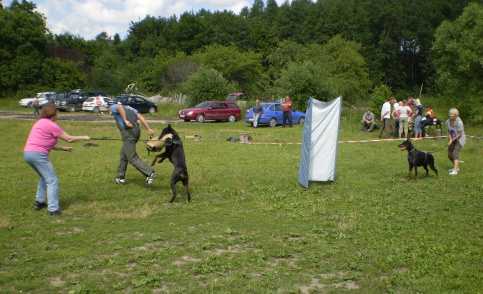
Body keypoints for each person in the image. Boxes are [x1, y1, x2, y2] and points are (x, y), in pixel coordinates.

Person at [23, 103, 90, 216]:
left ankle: (39, 202)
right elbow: (69, 139)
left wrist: (63, 148)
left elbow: (45, 143)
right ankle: (53, 209)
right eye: (57, 112)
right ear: (53, 114)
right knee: (52, 180)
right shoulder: (51, 125)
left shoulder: (39, 123)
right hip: (39, 155)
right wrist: (83, 137)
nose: (58, 114)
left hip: (28, 154)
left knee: (44, 177)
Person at [107, 102, 156, 186]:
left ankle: (150, 173)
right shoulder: (129, 108)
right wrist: (148, 129)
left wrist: (125, 120)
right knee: (124, 153)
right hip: (136, 131)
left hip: (129, 132)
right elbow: (140, 116)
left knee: (131, 157)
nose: (108, 111)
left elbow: (119, 107)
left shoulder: (114, 106)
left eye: (107, 109)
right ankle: (120, 177)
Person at [446, 108, 465, 175]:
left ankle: (455, 171)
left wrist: (452, 140)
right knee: (450, 155)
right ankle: (456, 167)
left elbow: (460, 134)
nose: (450, 115)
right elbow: (448, 131)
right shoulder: (448, 121)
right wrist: (450, 139)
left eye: (452, 114)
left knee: (455, 154)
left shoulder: (459, 122)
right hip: (452, 139)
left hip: (459, 139)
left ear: (455, 114)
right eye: (450, 113)